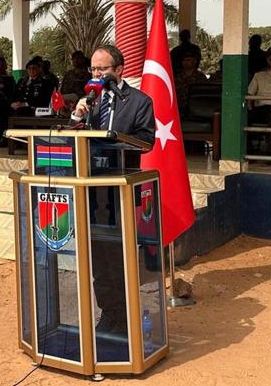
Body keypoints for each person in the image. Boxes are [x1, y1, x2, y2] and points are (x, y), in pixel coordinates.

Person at [72, 44, 155, 336]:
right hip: (92, 189)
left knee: (119, 254)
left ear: (119, 69)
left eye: (103, 69)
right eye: (93, 69)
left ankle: (127, 314)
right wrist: (77, 116)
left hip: (121, 189)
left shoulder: (139, 101)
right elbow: (75, 136)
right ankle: (108, 313)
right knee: (98, 254)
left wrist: (114, 139)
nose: (97, 74)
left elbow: (147, 140)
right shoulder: (90, 100)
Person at [174, 44, 207, 119]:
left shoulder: (201, 77)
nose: (186, 62)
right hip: (179, 110)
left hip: (197, 110)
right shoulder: (177, 77)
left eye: (188, 60)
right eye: (184, 60)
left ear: (194, 61)